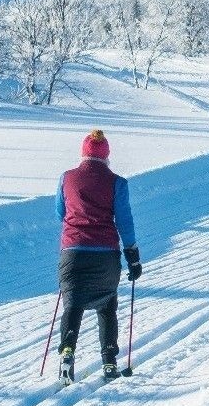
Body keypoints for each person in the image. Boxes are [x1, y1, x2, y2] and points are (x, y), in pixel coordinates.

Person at [55, 129, 143, 383]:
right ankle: (109, 362)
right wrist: (133, 258)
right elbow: (125, 221)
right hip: (106, 255)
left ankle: (67, 353)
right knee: (107, 306)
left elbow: (60, 212)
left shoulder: (66, 178)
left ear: (83, 153)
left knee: (72, 303)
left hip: (72, 252)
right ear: (106, 156)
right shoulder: (117, 183)